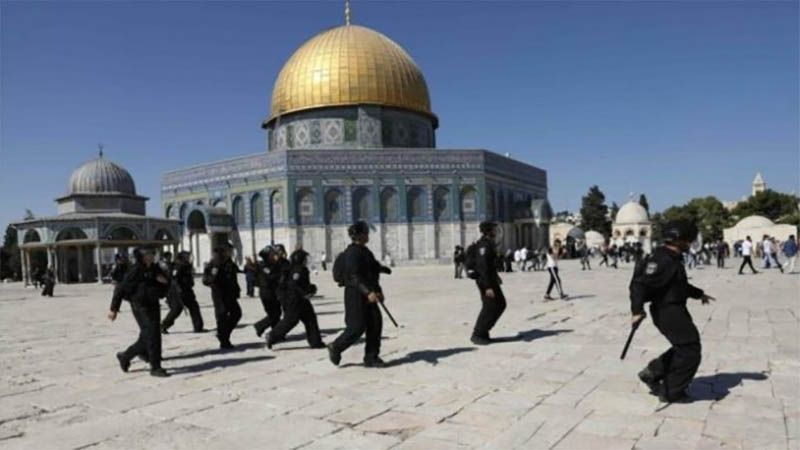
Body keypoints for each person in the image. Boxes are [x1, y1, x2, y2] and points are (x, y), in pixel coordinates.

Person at [631, 220, 716, 403]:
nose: (690, 244)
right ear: (679, 240)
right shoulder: (662, 260)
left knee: (684, 347)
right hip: (667, 311)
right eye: (687, 240)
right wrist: (636, 310)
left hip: (674, 308)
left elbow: (679, 285)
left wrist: (699, 294)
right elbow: (639, 284)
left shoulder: (671, 258)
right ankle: (671, 391)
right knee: (690, 350)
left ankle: (653, 372)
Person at [328, 221, 391, 368]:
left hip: (369, 292)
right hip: (355, 294)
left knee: (375, 323)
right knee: (356, 327)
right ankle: (336, 346)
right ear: (360, 235)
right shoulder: (352, 253)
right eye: (366, 232)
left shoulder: (364, 251)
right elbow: (353, 276)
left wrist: (379, 289)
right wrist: (368, 292)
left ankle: (371, 357)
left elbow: (372, 271)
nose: (368, 235)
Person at [108, 247, 170, 377]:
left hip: (153, 303)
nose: (152, 255)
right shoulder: (135, 270)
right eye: (149, 253)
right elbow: (120, 288)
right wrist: (113, 309)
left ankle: (125, 356)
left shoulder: (155, 268)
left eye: (152, 253)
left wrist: (164, 281)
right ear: (142, 256)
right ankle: (155, 366)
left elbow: (165, 281)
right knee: (152, 334)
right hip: (140, 306)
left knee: (150, 334)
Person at [267, 249, 324, 349]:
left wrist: (310, 288)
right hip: (295, 300)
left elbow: (302, 284)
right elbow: (294, 285)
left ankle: (316, 342)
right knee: (290, 320)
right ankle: (272, 336)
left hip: (301, 299)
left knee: (310, 319)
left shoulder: (297, 268)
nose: (306, 260)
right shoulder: (298, 270)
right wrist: (305, 293)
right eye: (305, 258)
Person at [470, 221, 506, 345]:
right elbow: (483, 267)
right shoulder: (483, 246)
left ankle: (484, 332)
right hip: (485, 282)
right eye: (494, 229)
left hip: (490, 280)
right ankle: (478, 333)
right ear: (489, 231)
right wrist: (488, 287)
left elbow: (490, 266)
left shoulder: (488, 244)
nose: (496, 232)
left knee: (499, 304)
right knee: (491, 306)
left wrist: (496, 277)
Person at [203, 244, 242, 349]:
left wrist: (237, 290)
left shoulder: (230, 263)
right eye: (229, 251)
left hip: (230, 294)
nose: (231, 253)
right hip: (219, 295)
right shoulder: (214, 264)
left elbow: (233, 278)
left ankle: (223, 335)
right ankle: (224, 341)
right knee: (222, 317)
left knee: (237, 314)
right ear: (224, 252)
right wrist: (214, 278)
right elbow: (206, 280)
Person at [161, 251, 205, 333]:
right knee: (176, 309)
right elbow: (174, 278)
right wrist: (178, 290)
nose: (190, 258)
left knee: (194, 307)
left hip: (187, 290)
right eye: (188, 257)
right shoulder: (177, 266)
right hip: (177, 291)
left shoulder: (186, 265)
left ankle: (198, 327)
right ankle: (163, 325)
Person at [253, 245, 284, 337]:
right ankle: (260, 326)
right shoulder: (264, 266)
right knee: (273, 314)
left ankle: (276, 333)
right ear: (267, 256)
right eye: (272, 254)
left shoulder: (272, 264)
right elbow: (272, 276)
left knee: (276, 312)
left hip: (273, 292)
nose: (274, 255)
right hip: (267, 293)